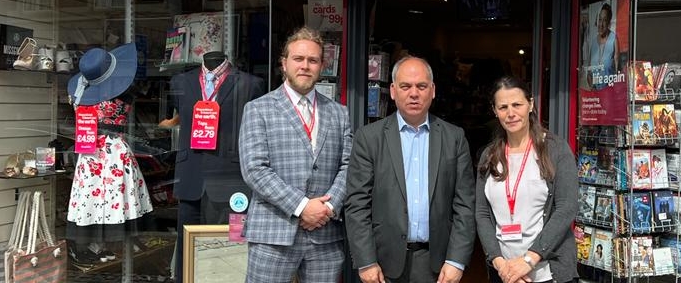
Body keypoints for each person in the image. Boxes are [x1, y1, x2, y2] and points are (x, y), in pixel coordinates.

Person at [345, 56, 476, 283]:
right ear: (393, 91)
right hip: (382, 265)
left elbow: (465, 204)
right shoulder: (369, 138)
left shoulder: (454, 138)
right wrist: (366, 260)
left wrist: (456, 260)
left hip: (437, 265)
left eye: (421, 86)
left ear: (432, 90)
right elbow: (357, 204)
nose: (414, 93)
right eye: (405, 86)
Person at [238, 26, 353, 282]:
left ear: (322, 65)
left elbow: (349, 167)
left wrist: (328, 208)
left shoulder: (339, 113)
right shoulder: (258, 109)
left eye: (312, 60)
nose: (305, 66)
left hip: (325, 235)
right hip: (273, 234)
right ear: (284, 63)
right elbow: (254, 169)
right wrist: (302, 207)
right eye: (298, 59)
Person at [165, 50, 265, 283]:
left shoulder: (252, 84)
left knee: (233, 245)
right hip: (190, 178)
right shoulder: (181, 82)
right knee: (187, 250)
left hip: (233, 180)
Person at [475, 76, 578, 283]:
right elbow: (482, 213)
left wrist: (528, 260)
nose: (511, 113)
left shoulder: (556, 150)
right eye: (503, 107)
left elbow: (566, 208)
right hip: (504, 273)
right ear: (495, 111)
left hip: (547, 273)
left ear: (530, 104)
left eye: (517, 105)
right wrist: (499, 263)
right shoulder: (488, 156)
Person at [66, 43, 154, 264]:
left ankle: (99, 245)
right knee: (112, 198)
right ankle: (102, 245)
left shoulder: (78, 94)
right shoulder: (124, 92)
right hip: (111, 151)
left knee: (93, 196)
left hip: (90, 153)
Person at [586, 3, 621, 90]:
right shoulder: (593, 43)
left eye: (604, 20)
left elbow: (618, 74)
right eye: (600, 20)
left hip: (609, 94)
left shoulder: (614, 39)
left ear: (609, 22)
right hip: (595, 95)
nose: (601, 24)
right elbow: (589, 72)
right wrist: (592, 87)